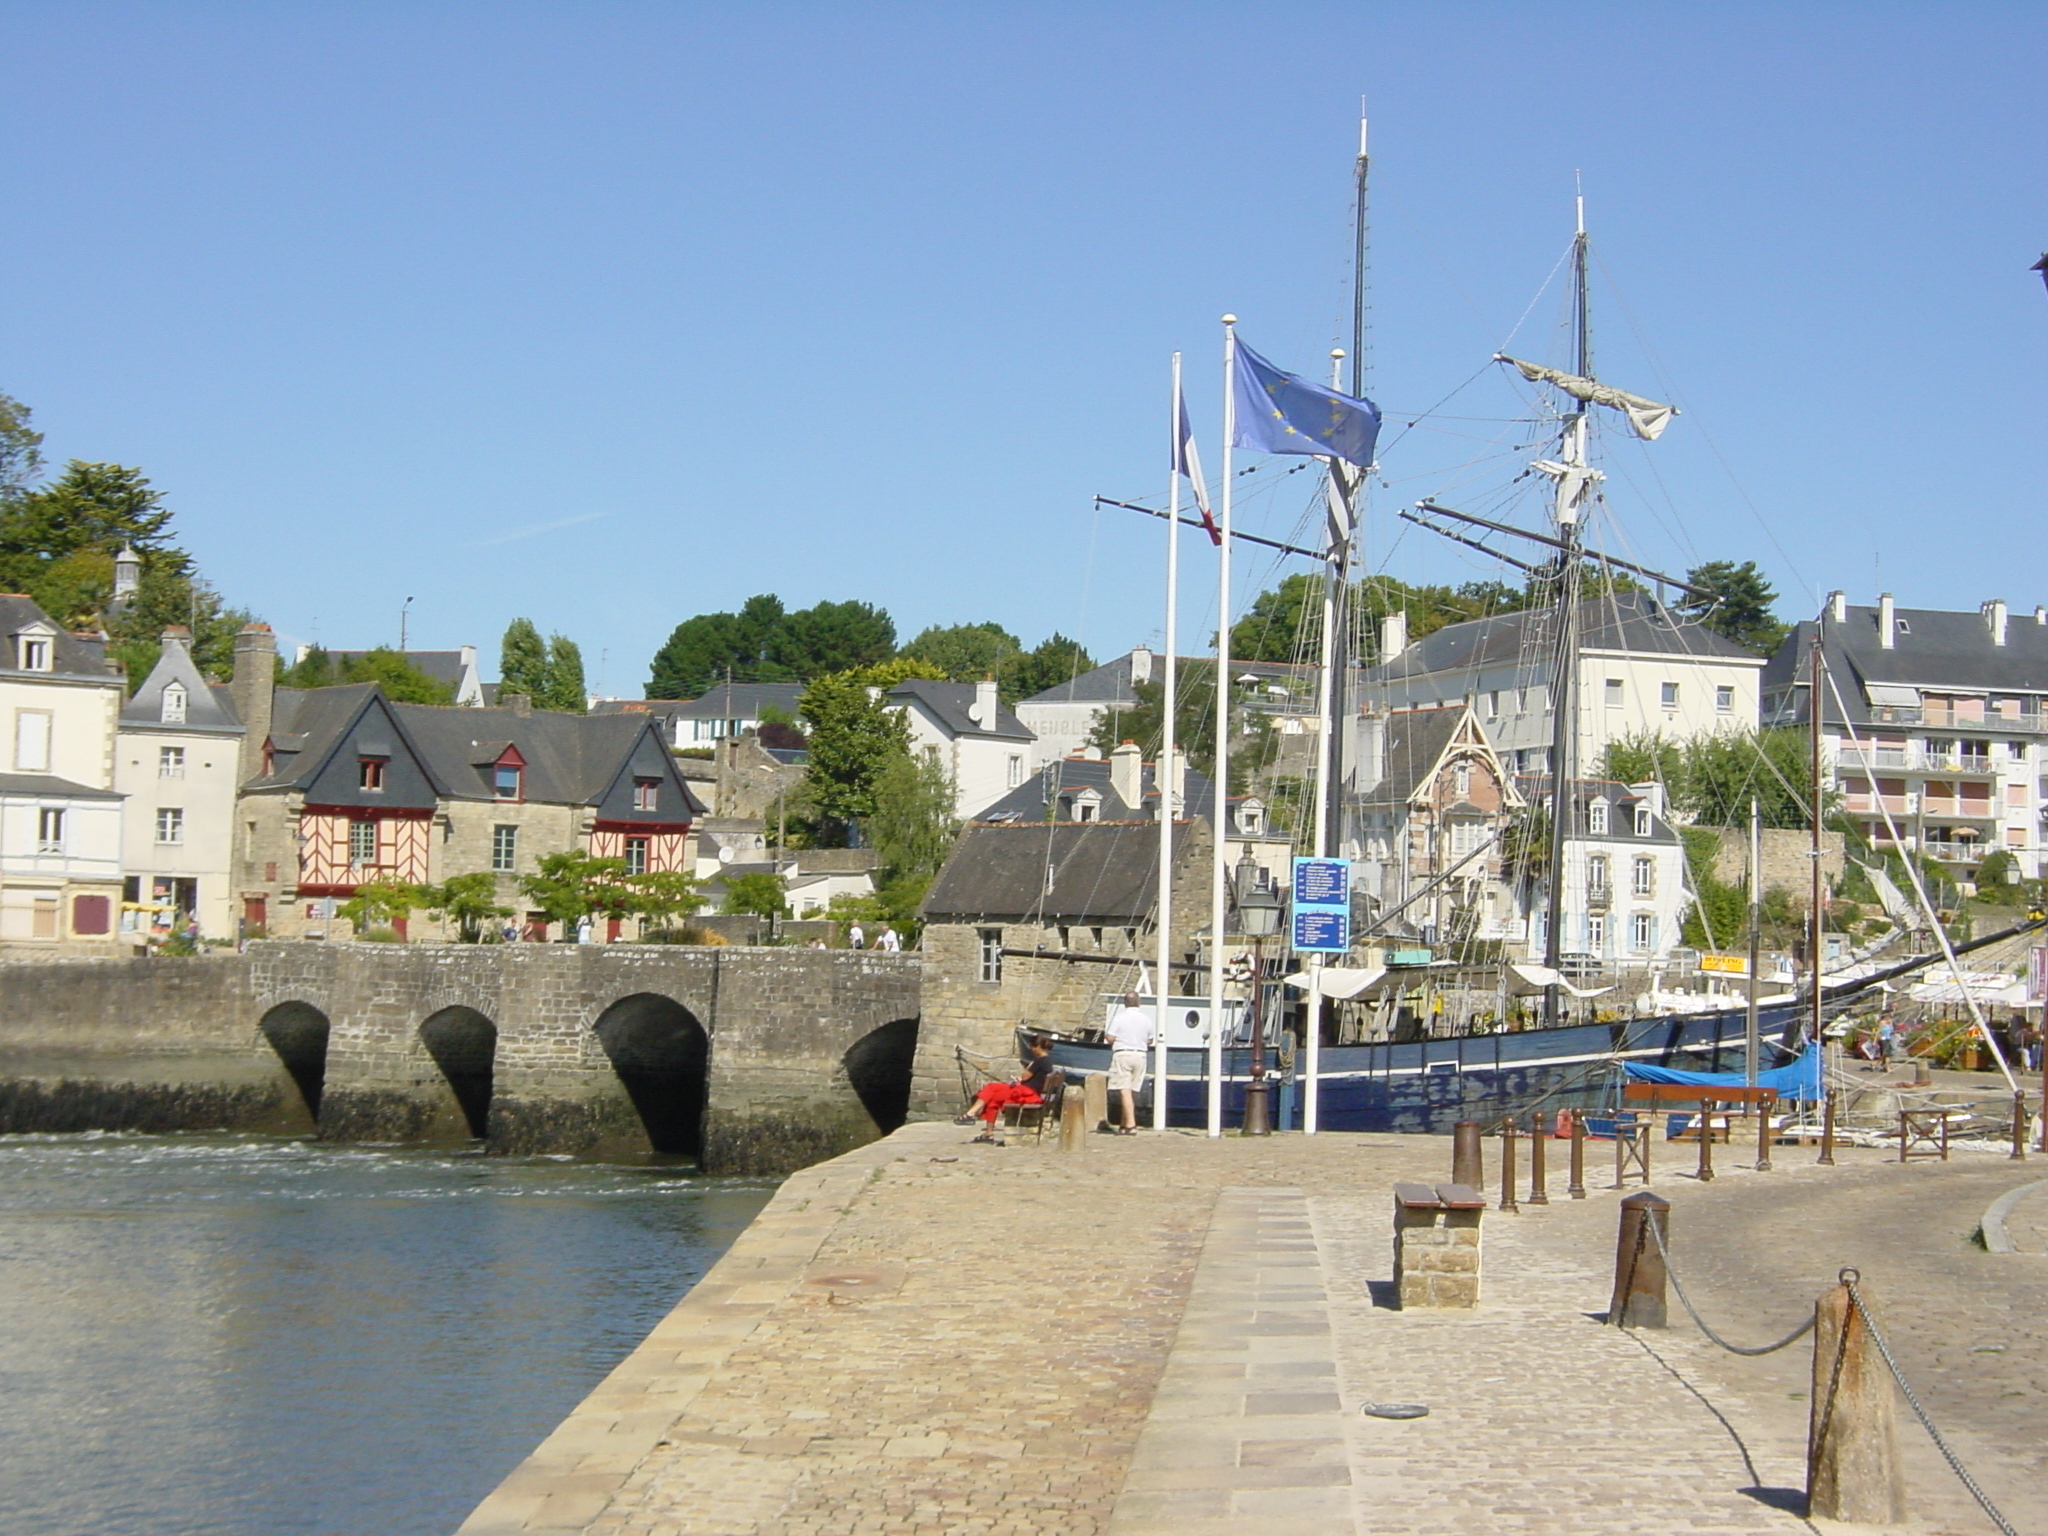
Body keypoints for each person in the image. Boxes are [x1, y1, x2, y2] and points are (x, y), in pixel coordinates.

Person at [955, 1035, 1055, 1142]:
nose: (1031, 1049)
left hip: (1027, 1093)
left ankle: (971, 1114)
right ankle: (987, 1132)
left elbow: (1025, 1076)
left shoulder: (1040, 1061)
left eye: (1032, 1047)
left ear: (1038, 1047)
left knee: (991, 1089)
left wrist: (1029, 1066)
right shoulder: (1047, 1061)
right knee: (992, 1094)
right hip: (1028, 1090)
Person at [1105, 991, 1154, 1135]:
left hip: (1123, 1053)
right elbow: (1150, 1039)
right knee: (1132, 1091)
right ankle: (1124, 1123)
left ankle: (1131, 1125)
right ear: (1138, 1002)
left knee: (1124, 1091)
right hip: (1140, 1055)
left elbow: (1109, 1037)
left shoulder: (1119, 1018)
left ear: (1124, 1002)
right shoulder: (1146, 1019)